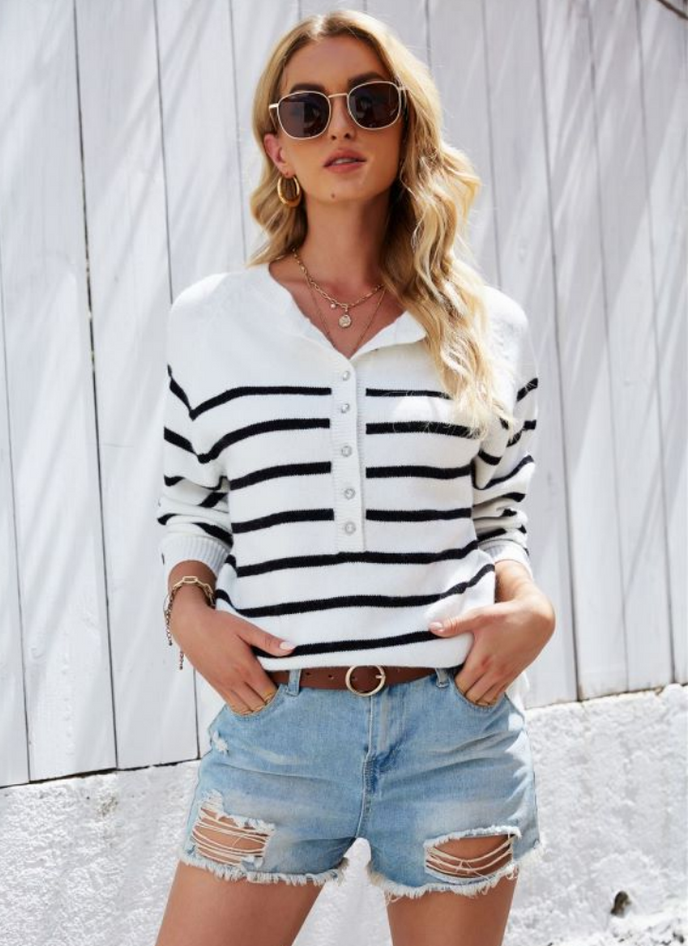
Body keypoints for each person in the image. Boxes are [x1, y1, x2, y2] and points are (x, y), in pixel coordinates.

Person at [154, 9, 555, 946]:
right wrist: (186, 611)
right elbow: (191, 504)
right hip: (279, 728)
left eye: (370, 102)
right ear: (278, 147)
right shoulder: (210, 321)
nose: (341, 124)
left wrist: (531, 607)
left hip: (456, 728)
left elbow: (499, 515)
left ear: (406, 128)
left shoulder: (489, 324)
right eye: (309, 108)